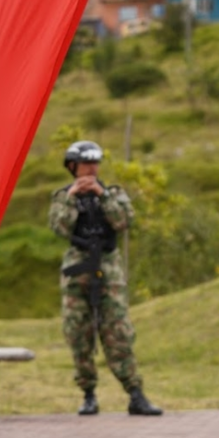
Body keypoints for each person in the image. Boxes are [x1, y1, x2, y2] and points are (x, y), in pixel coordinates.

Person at [49, 141, 162, 416]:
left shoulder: (113, 194)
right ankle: (88, 395)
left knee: (118, 332)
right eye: (86, 164)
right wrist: (72, 197)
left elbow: (123, 221)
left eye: (95, 164)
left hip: (108, 268)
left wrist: (102, 195)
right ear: (73, 167)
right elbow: (59, 226)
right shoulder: (63, 196)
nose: (92, 169)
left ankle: (135, 394)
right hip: (78, 269)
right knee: (78, 334)